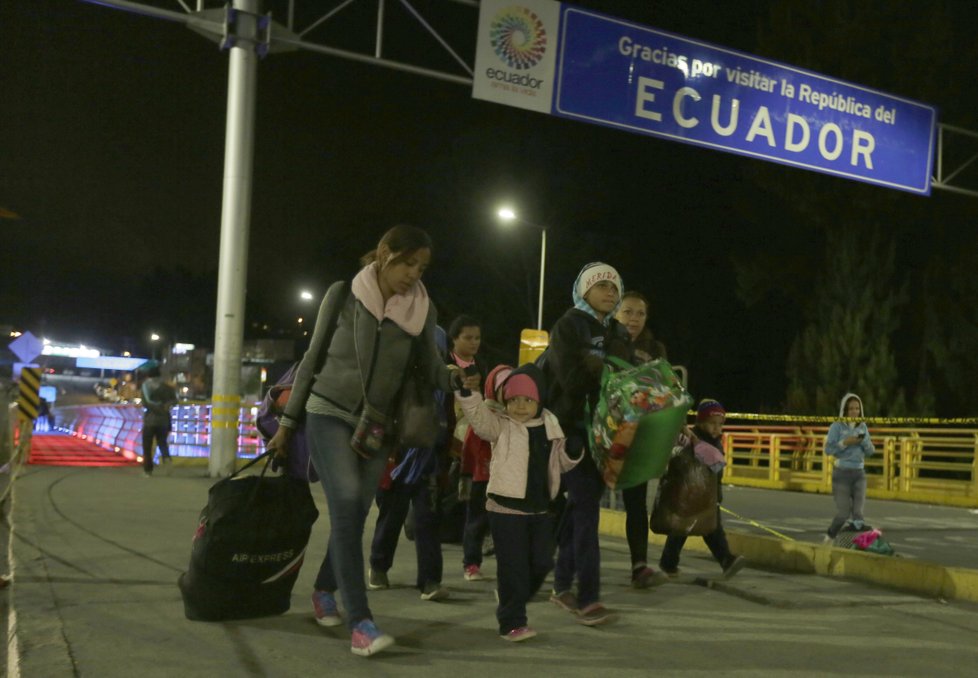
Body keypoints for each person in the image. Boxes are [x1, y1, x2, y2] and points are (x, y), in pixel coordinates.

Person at [266, 225, 479, 658]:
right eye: (408, 262)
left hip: (378, 423)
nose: (414, 274)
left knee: (358, 510)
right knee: (345, 501)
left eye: (421, 266)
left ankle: (324, 588)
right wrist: (288, 424)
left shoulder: (422, 310)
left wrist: (453, 376)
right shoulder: (343, 294)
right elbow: (312, 358)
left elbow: (429, 366)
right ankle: (361, 623)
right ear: (385, 254)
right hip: (327, 411)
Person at [456, 364, 582, 641]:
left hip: (540, 508)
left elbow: (559, 464)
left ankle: (513, 596)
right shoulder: (499, 424)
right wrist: (468, 394)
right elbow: (478, 417)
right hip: (505, 509)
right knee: (512, 566)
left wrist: (573, 452)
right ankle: (512, 622)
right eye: (514, 400)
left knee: (541, 562)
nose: (520, 406)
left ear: (539, 400)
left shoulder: (550, 424)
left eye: (527, 400)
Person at [547, 261, 632, 626]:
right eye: (600, 286)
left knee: (579, 506)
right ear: (583, 291)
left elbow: (624, 381)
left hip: (605, 430)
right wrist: (594, 370)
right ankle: (589, 597)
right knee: (586, 510)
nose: (609, 292)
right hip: (572, 428)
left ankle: (561, 584)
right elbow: (568, 379)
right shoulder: (568, 325)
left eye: (614, 287)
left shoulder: (617, 331)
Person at [614, 291, 670, 588]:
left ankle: (639, 566)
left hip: (637, 436)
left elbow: (663, 389)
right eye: (627, 312)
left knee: (636, 502)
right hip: (604, 433)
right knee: (579, 502)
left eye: (640, 313)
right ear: (615, 314)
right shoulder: (604, 341)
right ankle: (560, 565)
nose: (633, 319)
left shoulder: (654, 348)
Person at [658, 399, 746, 579]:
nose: (716, 428)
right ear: (700, 422)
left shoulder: (713, 442)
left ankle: (725, 560)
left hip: (710, 496)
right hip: (688, 494)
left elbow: (716, 464)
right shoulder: (688, 438)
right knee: (682, 530)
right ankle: (670, 562)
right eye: (712, 424)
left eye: (720, 424)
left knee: (711, 528)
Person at [459, 363, 513, 581]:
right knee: (476, 522)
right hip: (481, 478)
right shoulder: (483, 414)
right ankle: (471, 563)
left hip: (504, 481)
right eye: (504, 386)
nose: (508, 392)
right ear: (494, 388)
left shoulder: (514, 416)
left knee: (504, 525)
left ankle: (508, 566)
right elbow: (469, 446)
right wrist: (466, 475)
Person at [823, 393, 876, 543]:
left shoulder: (863, 427)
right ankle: (829, 537)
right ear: (845, 410)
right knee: (843, 513)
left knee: (858, 515)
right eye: (851, 408)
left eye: (857, 408)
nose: (854, 412)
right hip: (842, 473)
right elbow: (828, 450)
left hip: (859, 473)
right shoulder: (836, 426)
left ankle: (854, 546)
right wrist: (845, 442)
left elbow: (871, 451)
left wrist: (864, 441)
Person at [139, 363, 176, 477]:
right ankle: (167, 459)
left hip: (150, 420)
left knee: (147, 445)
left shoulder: (146, 385)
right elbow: (174, 401)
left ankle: (148, 470)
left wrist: (156, 408)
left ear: (149, 374)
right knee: (162, 442)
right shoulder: (167, 386)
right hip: (164, 419)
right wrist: (164, 407)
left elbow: (146, 402)